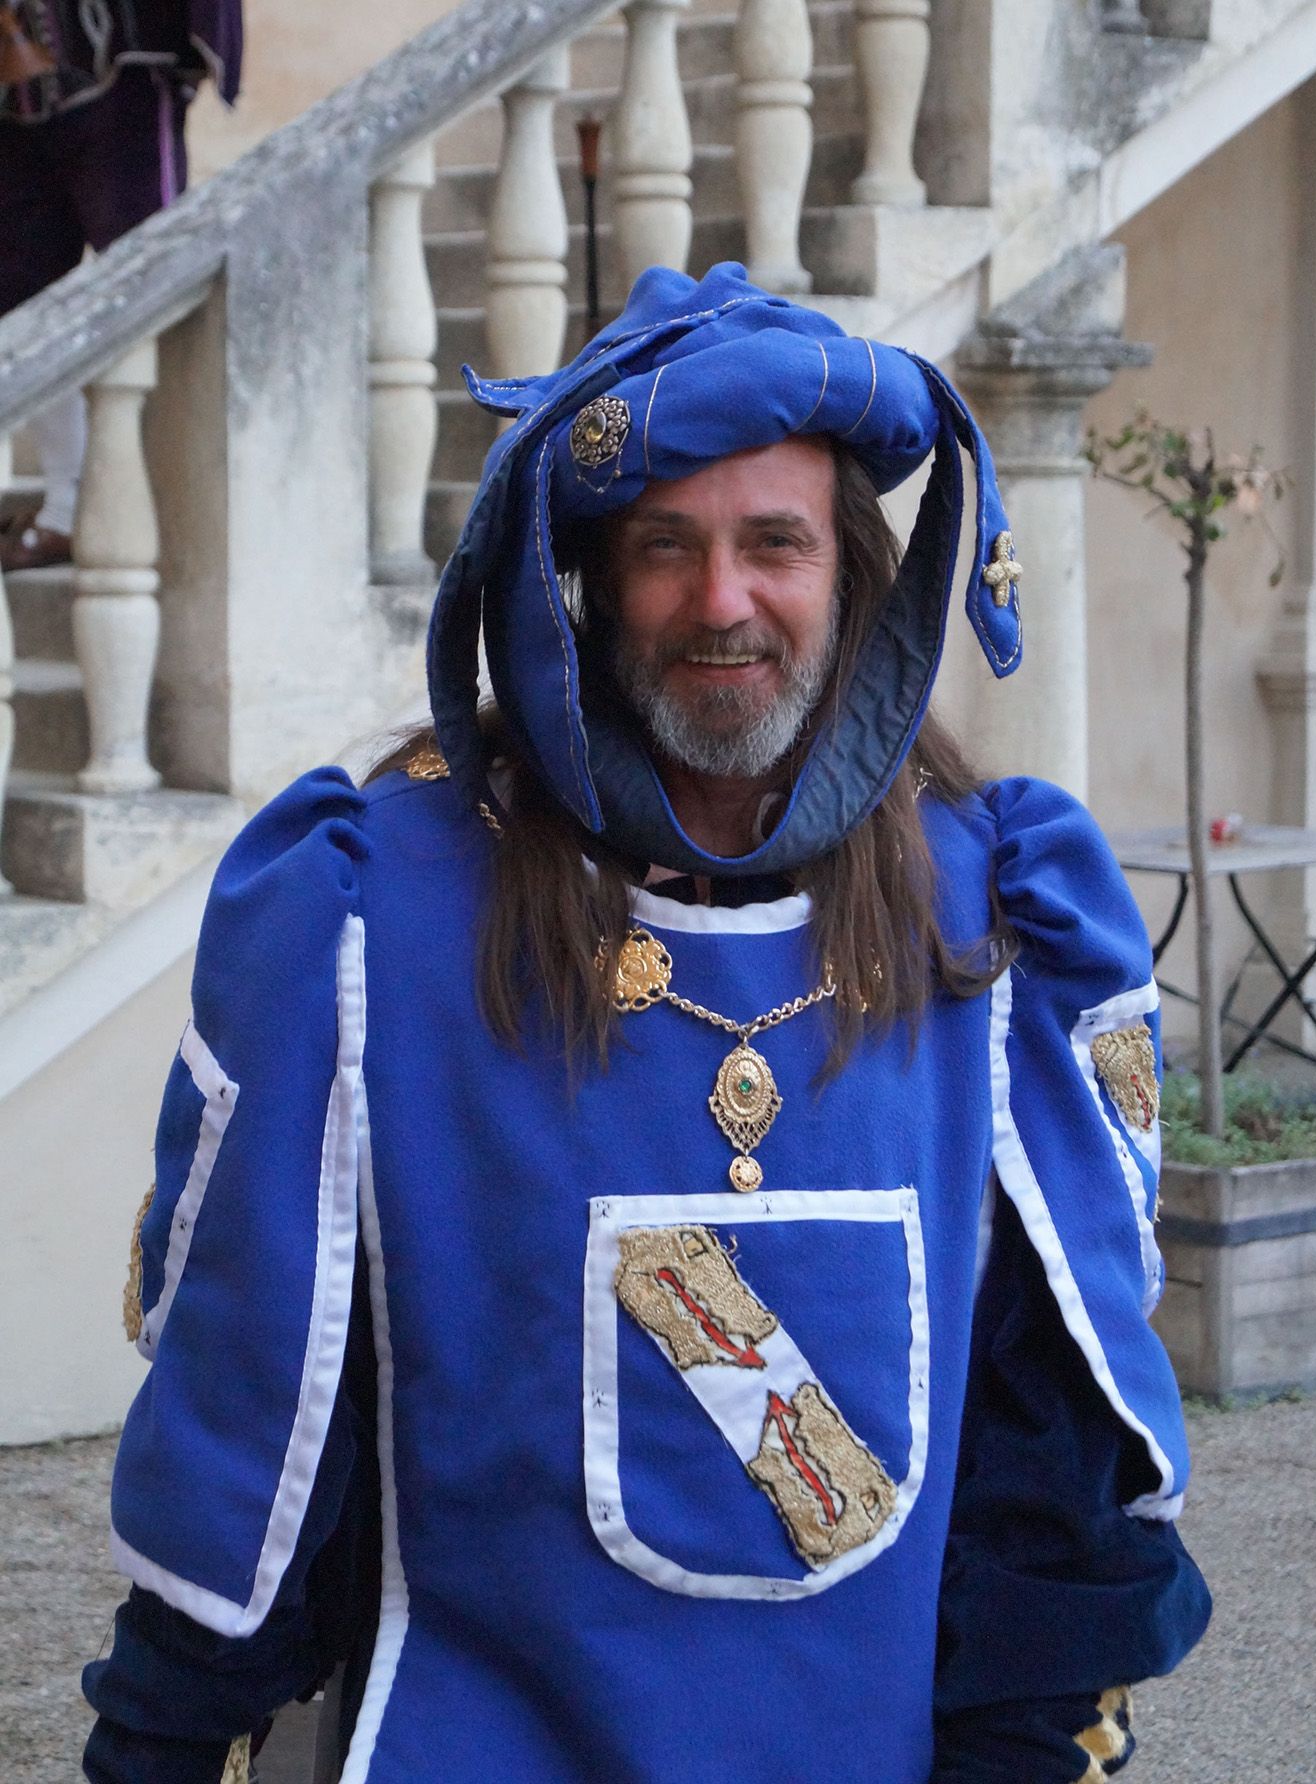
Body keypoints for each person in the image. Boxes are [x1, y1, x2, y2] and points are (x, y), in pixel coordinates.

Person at [83, 262, 1210, 1783]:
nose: (721, 600)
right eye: (664, 547)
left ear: (849, 576)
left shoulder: (990, 918)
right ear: (590, 584)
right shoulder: (374, 913)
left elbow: (1049, 1491)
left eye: (773, 545)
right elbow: (261, 1463)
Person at [0, 0, 242, 572]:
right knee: (22, 310)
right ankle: (65, 507)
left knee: (150, 292)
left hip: (124, 76)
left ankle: (180, 501)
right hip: (14, 112)